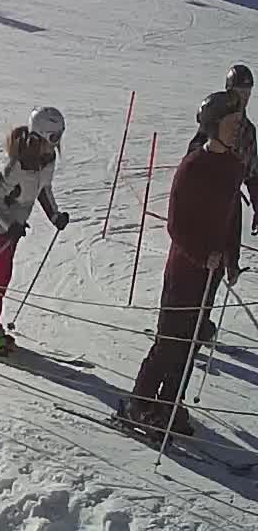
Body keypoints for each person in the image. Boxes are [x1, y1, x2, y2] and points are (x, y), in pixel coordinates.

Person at [123, 91, 249, 434]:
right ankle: (138, 402)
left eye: (239, 123)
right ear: (213, 126)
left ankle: (168, 404)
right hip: (185, 271)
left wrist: (231, 259)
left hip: (212, 273)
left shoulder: (233, 165)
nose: (237, 129)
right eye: (232, 123)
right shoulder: (193, 165)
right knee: (170, 341)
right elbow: (175, 225)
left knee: (192, 343)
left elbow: (232, 215)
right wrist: (201, 255)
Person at [0, 107, 69, 353]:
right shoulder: (19, 163)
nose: (56, 144)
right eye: (53, 138)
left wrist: (55, 215)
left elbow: (43, 189)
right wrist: (8, 226)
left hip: (13, 229)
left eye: (59, 137)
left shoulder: (47, 160)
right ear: (40, 135)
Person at [187, 65, 258, 342]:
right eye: (239, 92)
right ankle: (183, 321)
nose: (245, 98)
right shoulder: (214, 120)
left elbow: (253, 171)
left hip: (229, 204)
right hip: (206, 203)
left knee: (221, 266)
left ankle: (202, 321)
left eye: (248, 92)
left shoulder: (249, 131)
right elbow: (193, 155)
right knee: (198, 261)